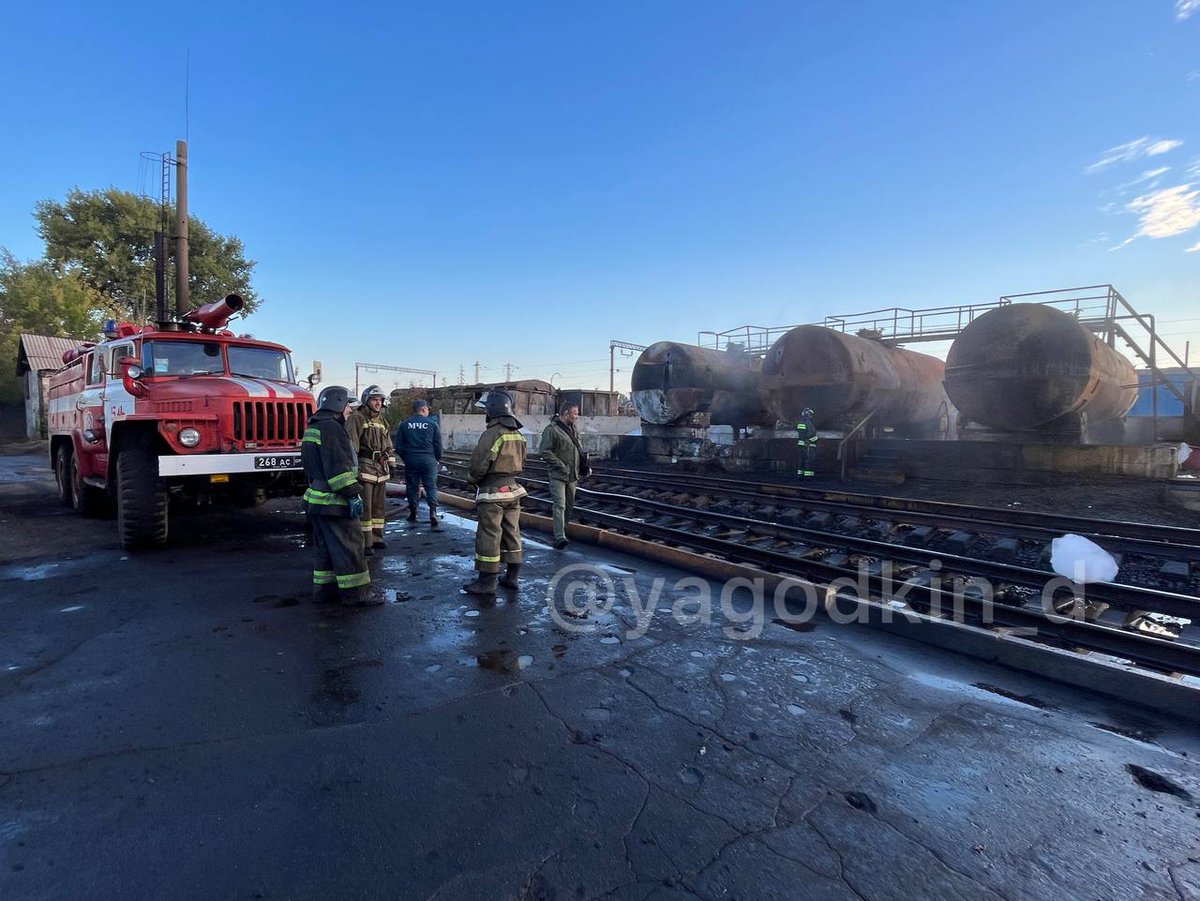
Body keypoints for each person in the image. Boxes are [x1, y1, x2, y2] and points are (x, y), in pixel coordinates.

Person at [302, 386, 377, 606]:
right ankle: (358, 595)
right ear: (337, 405)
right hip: (335, 501)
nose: (350, 410)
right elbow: (340, 471)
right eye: (347, 406)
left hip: (316, 500)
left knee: (326, 549)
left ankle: (325, 592)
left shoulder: (313, 427)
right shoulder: (332, 428)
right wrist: (353, 494)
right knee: (350, 547)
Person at [462, 390, 527, 596]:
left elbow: (479, 463)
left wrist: (472, 480)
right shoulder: (518, 434)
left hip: (493, 493)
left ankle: (487, 582)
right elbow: (523, 461)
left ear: (492, 409)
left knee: (489, 534)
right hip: (513, 491)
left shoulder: (492, 433)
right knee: (512, 532)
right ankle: (512, 577)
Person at [346, 385, 395, 552]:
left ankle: (377, 537)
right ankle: (365, 542)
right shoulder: (356, 419)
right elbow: (352, 446)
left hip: (381, 469)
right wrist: (353, 470)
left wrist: (392, 464)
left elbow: (388, 445)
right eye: (375, 400)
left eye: (380, 400)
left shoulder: (383, 421)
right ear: (366, 401)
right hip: (364, 468)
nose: (378, 403)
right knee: (365, 508)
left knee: (379, 507)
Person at [539, 401, 590, 549]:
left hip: (572, 475)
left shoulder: (574, 429)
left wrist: (585, 467)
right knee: (559, 505)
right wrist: (560, 465)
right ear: (565, 414)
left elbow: (578, 450)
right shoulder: (552, 430)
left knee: (569, 505)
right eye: (575, 413)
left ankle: (564, 530)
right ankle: (559, 537)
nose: (577, 416)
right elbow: (544, 451)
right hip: (558, 475)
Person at [395, 398, 443, 529]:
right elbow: (438, 445)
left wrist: (406, 457)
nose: (428, 411)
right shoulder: (432, 424)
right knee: (431, 487)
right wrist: (437, 458)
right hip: (429, 460)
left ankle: (413, 513)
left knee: (412, 487)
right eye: (427, 409)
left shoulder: (404, 424)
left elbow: (398, 446)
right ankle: (433, 513)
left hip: (411, 460)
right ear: (423, 409)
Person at [797, 407, 818, 480]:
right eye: (811, 415)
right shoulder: (809, 424)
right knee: (809, 461)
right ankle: (808, 477)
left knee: (801, 460)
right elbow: (811, 435)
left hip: (801, 445)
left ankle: (800, 475)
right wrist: (816, 440)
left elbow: (801, 435)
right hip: (809, 445)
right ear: (809, 415)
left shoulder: (800, 423)